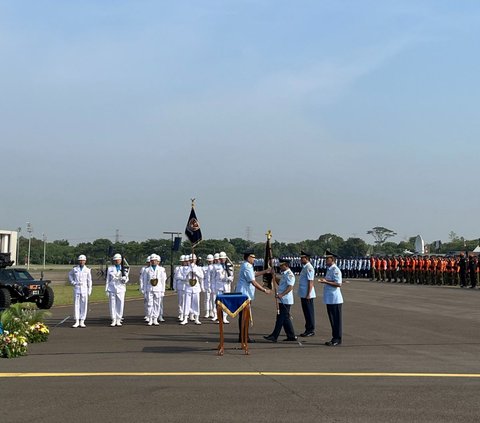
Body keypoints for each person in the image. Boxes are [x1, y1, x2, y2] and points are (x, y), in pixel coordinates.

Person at [235, 250, 272, 342]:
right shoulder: (247, 266)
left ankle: (243, 336)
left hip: (245, 294)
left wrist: (265, 271)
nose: (254, 259)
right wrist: (264, 290)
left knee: (245, 316)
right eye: (253, 257)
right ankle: (244, 337)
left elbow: (253, 275)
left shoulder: (247, 266)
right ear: (248, 257)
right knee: (244, 316)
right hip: (244, 294)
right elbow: (253, 282)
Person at [264, 258, 297, 342]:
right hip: (282, 299)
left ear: (286, 265)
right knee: (285, 318)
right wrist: (274, 277)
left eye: (281, 265)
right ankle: (291, 336)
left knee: (280, 318)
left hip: (285, 300)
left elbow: (290, 287)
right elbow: (281, 283)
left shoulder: (289, 274)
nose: (280, 266)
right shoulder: (285, 274)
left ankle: (274, 336)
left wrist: (281, 295)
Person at [318, 251, 343, 346]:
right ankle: (334, 337)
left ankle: (337, 339)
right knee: (332, 320)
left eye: (327, 259)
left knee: (336, 320)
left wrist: (325, 282)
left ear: (332, 260)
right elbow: (332, 280)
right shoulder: (329, 269)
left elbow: (338, 284)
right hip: (330, 299)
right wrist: (325, 280)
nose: (325, 260)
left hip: (335, 299)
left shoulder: (335, 270)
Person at [141, 254, 167, 325]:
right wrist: (144, 290)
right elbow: (145, 281)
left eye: (154, 261)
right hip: (149, 289)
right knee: (149, 304)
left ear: (157, 261)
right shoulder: (146, 270)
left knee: (157, 304)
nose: (153, 262)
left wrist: (163, 291)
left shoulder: (161, 269)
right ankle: (150, 318)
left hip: (158, 289)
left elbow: (163, 281)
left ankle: (155, 318)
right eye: (152, 261)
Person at [68, 254, 92, 328]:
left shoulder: (87, 270)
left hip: (84, 288)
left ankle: (82, 320)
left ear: (85, 261)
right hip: (77, 288)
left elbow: (89, 280)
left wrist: (90, 289)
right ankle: (77, 320)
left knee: (84, 305)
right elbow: (70, 275)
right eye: (80, 260)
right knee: (76, 304)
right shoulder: (75, 269)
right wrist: (73, 282)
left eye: (83, 260)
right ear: (78, 261)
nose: (81, 262)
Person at [105, 253, 129, 327]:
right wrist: (106, 289)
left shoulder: (125, 268)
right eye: (115, 260)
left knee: (120, 304)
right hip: (112, 288)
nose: (117, 261)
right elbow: (107, 280)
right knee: (112, 304)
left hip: (121, 288)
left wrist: (124, 279)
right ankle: (113, 319)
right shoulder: (110, 268)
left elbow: (127, 278)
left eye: (118, 260)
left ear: (121, 260)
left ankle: (118, 319)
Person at [180, 254, 204, 325]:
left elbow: (202, 277)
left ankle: (196, 318)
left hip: (196, 287)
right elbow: (183, 277)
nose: (192, 261)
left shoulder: (199, 268)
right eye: (190, 260)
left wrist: (195, 272)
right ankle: (185, 318)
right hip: (188, 287)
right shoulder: (186, 268)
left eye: (193, 260)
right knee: (186, 303)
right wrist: (189, 271)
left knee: (196, 303)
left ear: (196, 260)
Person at [298, 250, 316, 337]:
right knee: (306, 312)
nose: (300, 259)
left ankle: (310, 330)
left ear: (306, 258)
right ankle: (308, 328)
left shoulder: (309, 267)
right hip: (304, 293)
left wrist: (308, 294)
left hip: (307, 294)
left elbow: (310, 282)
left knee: (309, 312)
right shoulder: (305, 267)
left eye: (302, 258)